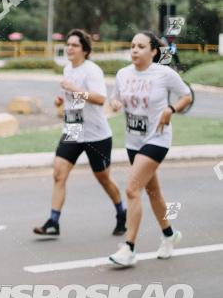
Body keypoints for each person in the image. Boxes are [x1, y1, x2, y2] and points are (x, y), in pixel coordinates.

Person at [108, 30, 192, 267]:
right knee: (153, 192)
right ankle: (169, 235)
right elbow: (115, 99)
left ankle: (129, 248)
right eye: (132, 45)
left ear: (154, 51)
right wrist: (115, 103)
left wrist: (170, 110)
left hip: (158, 138)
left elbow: (186, 96)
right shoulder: (123, 74)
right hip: (133, 141)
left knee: (133, 189)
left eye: (141, 46)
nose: (135, 50)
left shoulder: (164, 74)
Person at [33, 29, 126, 238]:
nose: (69, 48)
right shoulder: (68, 69)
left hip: (96, 133)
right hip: (73, 129)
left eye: (74, 45)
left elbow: (100, 99)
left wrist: (74, 89)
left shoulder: (92, 70)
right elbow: (73, 98)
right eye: (68, 44)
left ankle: (122, 212)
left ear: (85, 49)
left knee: (103, 178)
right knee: (58, 174)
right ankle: (53, 222)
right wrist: (62, 100)